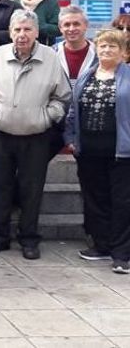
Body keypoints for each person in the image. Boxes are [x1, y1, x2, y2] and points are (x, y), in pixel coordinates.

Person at [0, 9, 71, 260]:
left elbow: (62, 96)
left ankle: (28, 238)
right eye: (17, 29)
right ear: (10, 32)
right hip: (0, 133)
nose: (22, 34)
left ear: (37, 32)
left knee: (32, 189)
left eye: (27, 29)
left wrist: (47, 116)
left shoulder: (50, 58)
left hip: (36, 135)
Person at [64, 29, 130, 274]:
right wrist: (70, 138)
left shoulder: (128, 77)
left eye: (113, 46)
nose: (107, 50)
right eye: (102, 46)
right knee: (95, 200)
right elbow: (73, 111)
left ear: (123, 52)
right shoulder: (87, 76)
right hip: (89, 151)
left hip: (121, 153)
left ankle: (122, 253)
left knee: (122, 202)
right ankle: (101, 245)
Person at [54, 5, 97, 87]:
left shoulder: (98, 53)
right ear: (60, 28)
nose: (71, 29)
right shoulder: (51, 53)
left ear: (86, 26)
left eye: (76, 24)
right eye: (67, 25)